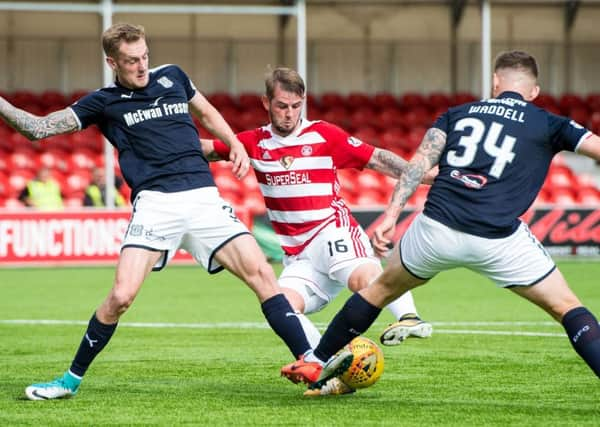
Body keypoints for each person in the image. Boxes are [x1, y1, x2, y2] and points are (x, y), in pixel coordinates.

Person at [0, 22, 312, 401]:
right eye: (132, 61)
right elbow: (37, 128)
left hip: (203, 197)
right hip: (155, 205)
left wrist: (235, 144)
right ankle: (69, 381)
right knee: (121, 297)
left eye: (145, 56)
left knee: (263, 273)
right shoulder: (103, 102)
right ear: (112, 62)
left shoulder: (174, 76)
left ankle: (311, 362)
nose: (142, 66)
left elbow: (209, 113)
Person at [281, 50, 600, 391]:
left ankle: (316, 361)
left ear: (495, 83)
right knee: (567, 307)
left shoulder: (458, 114)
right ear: (534, 91)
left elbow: (417, 165)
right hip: (498, 237)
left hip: (436, 227)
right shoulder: (550, 122)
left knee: (379, 290)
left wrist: (390, 216)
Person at [201, 67, 434, 395]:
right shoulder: (252, 142)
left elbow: (377, 159)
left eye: (296, 106)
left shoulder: (324, 135)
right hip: (297, 256)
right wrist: (155, 142)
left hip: (331, 231)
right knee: (281, 304)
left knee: (360, 278)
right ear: (266, 102)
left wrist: (422, 175)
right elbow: (207, 148)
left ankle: (409, 316)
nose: (289, 113)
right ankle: (328, 366)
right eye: (282, 105)